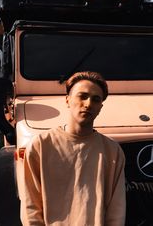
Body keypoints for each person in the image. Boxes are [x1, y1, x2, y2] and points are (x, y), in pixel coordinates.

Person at [20, 71, 126, 226]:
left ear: (100, 107)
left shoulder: (112, 151)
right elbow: (30, 206)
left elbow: (116, 210)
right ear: (67, 100)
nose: (88, 104)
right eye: (82, 96)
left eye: (96, 99)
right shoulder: (41, 145)